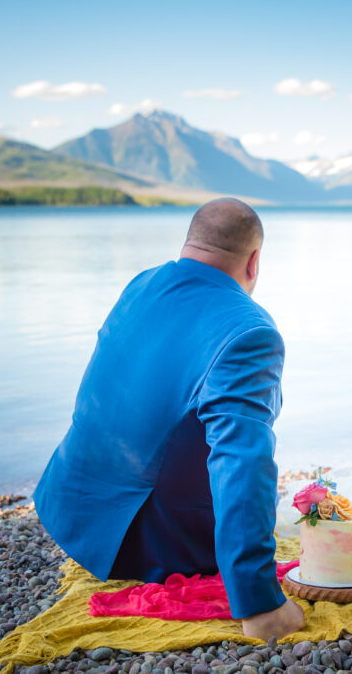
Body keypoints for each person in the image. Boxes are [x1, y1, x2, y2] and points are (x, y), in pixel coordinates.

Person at [33, 198, 304, 641]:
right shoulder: (250, 331)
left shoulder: (141, 284)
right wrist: (259, 602)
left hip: (70, 508)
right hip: (142, 543)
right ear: (253, 263)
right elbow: (241, 463)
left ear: (189, 245)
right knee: (253, 465)